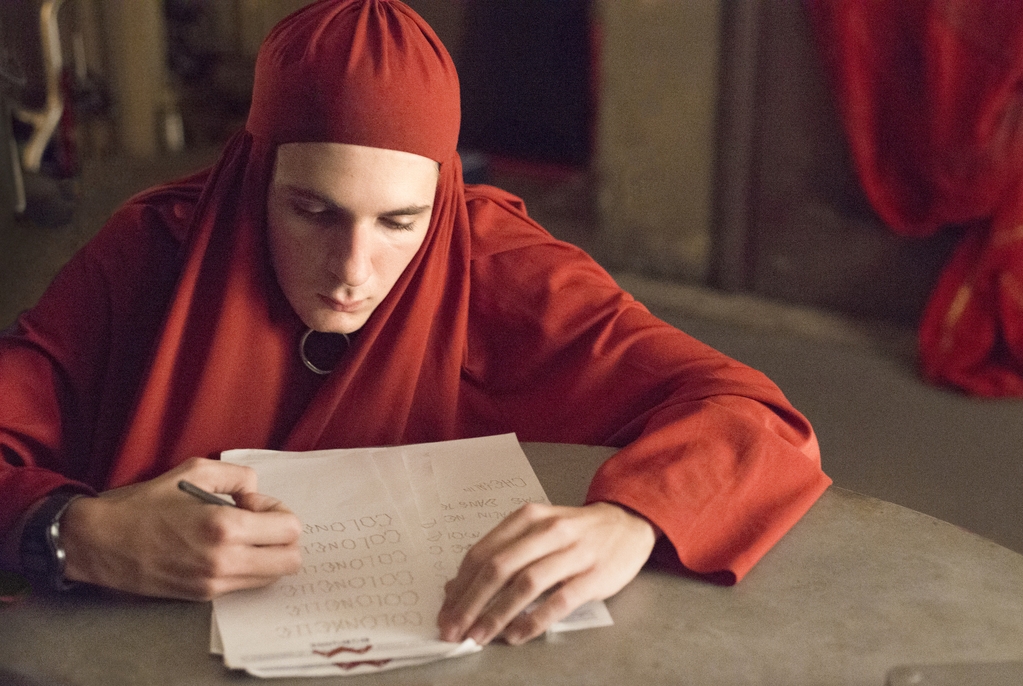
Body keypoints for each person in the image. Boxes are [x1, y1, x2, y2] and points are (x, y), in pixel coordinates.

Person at [0, 0, 830, 648]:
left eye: (400, 222)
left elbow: (750, 416)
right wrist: (73, 533)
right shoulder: (152, 250)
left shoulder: (493, 263)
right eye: (312, 211)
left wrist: (630, 521)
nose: (353, 270)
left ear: (443, 197)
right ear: (252, 180)